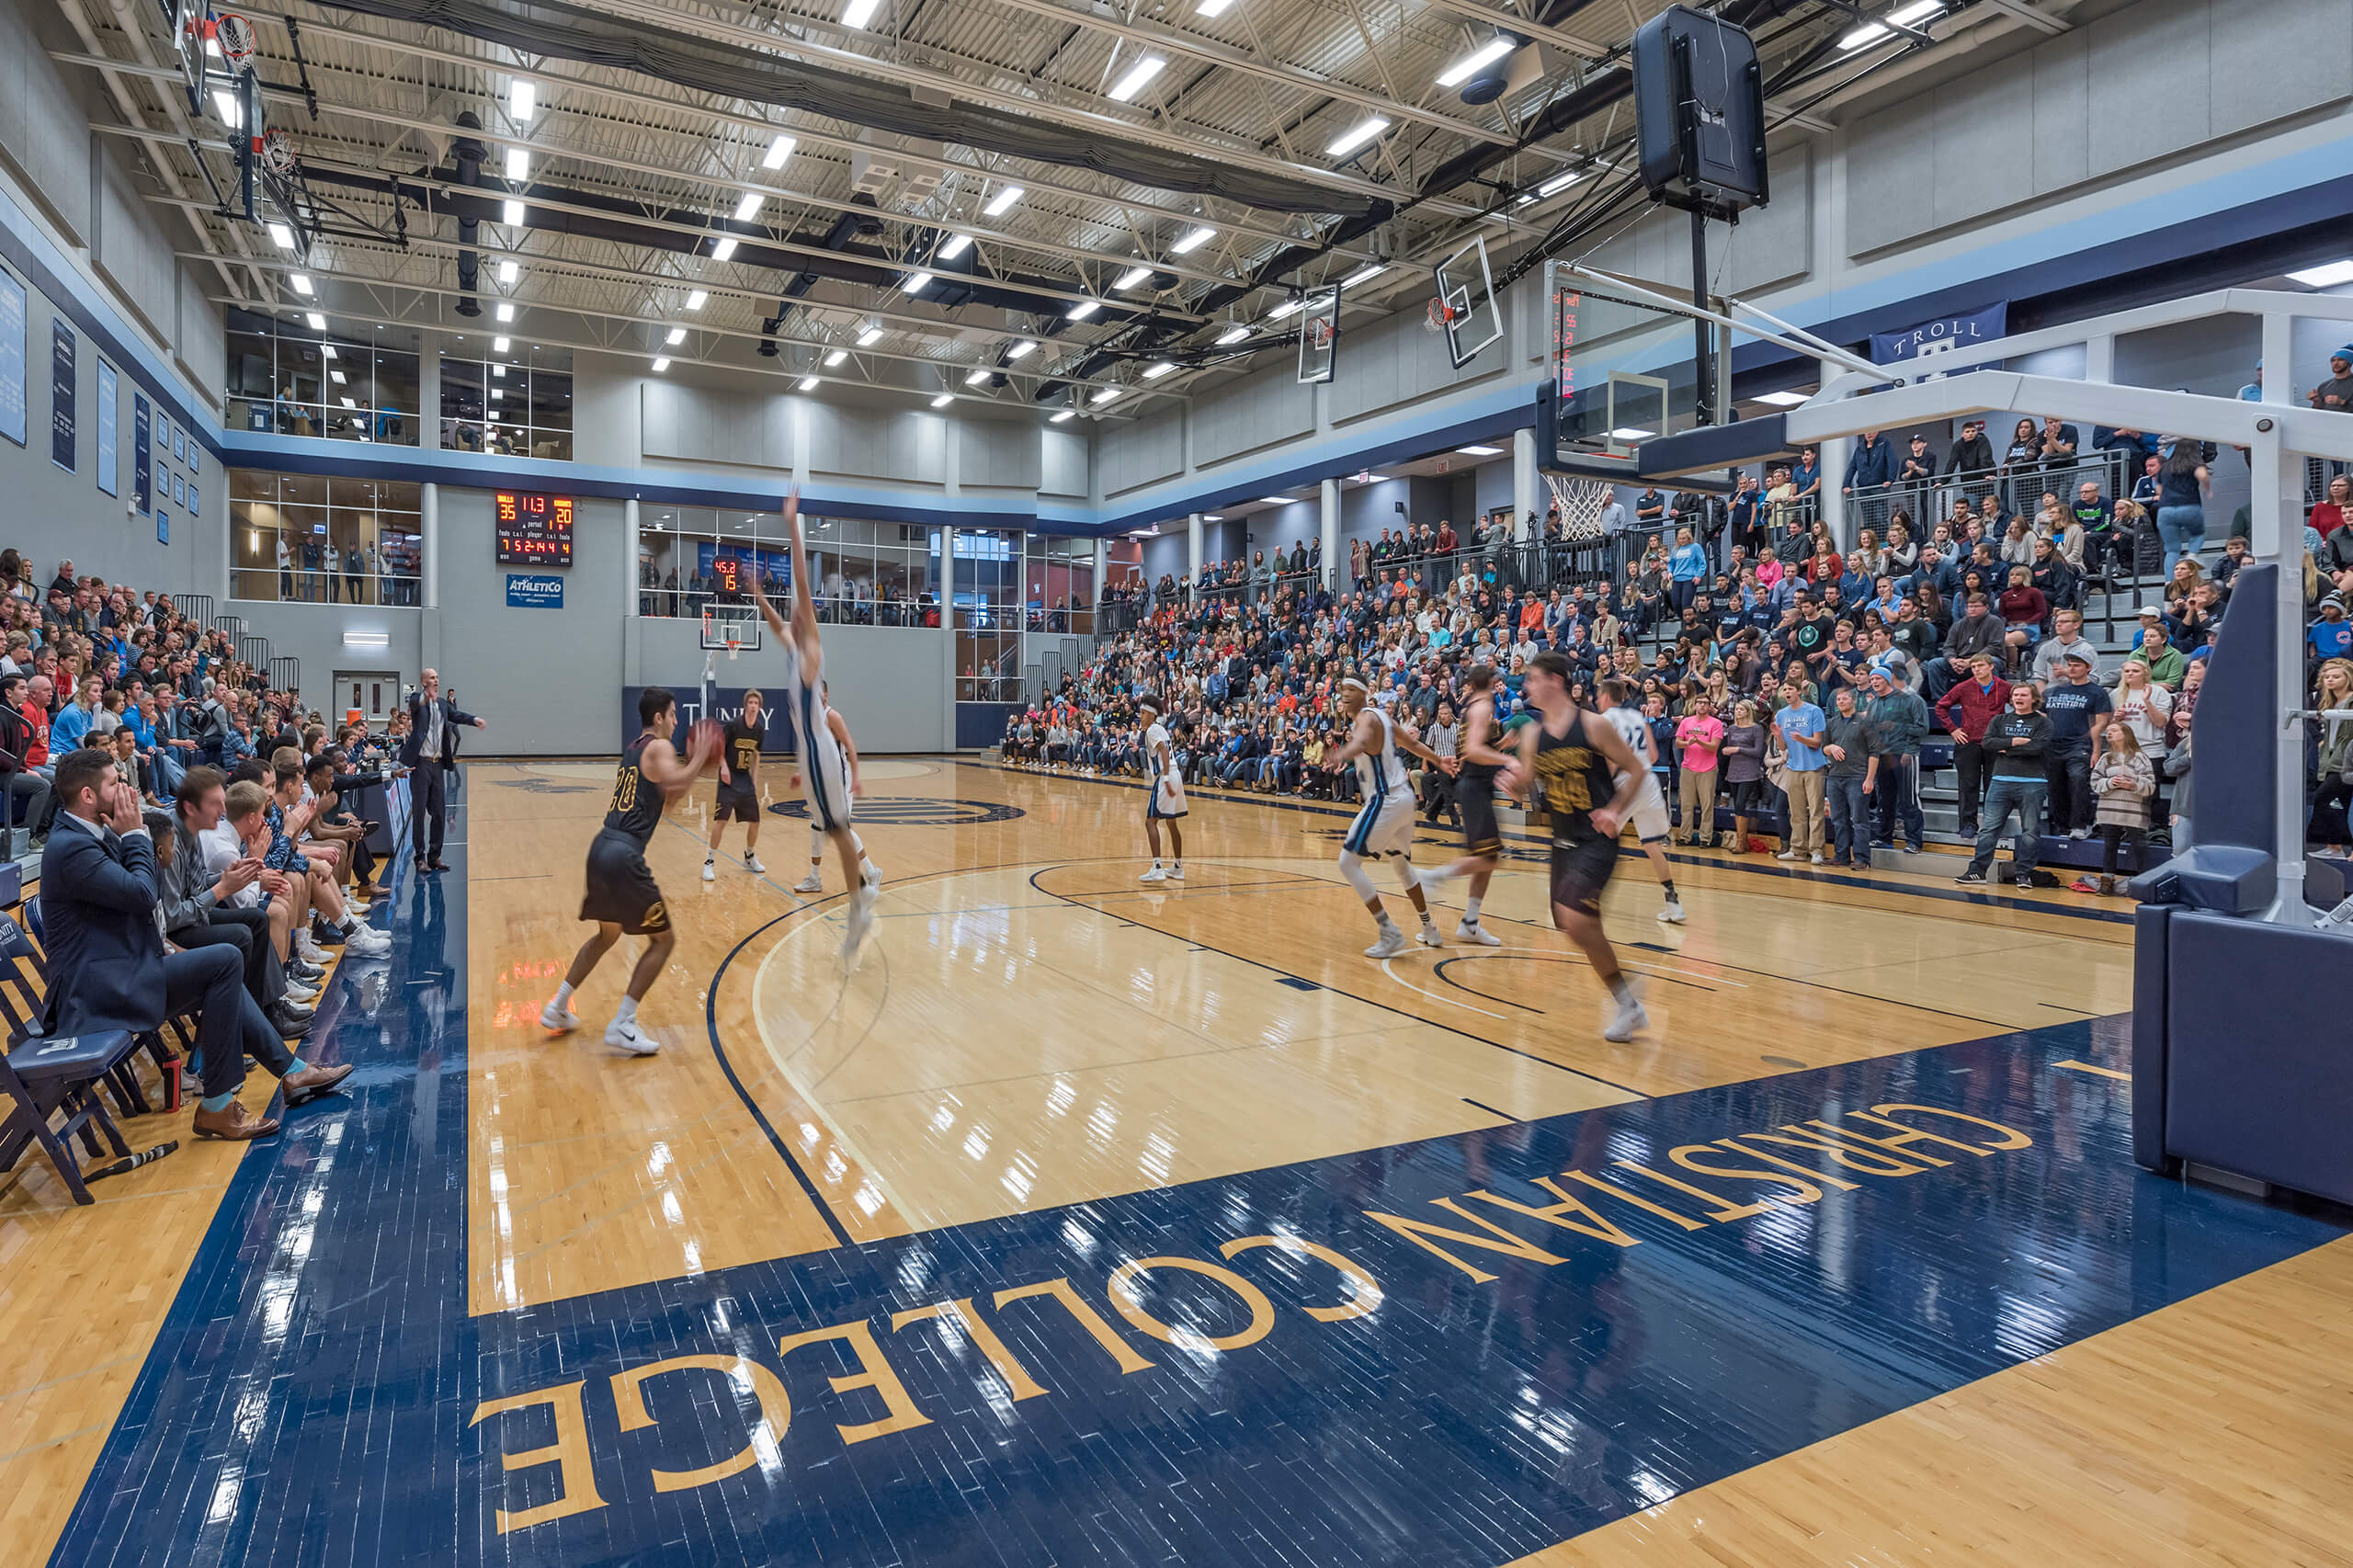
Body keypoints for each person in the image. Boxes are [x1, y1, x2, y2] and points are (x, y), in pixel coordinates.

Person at [39, 748, 348, 1141]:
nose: (126, 791)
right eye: (114, 784)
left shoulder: (88, 836)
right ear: (87, 796)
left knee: (223, 967)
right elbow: (142, 895)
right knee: (222, 960)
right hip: (95, 991)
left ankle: (291, 1073)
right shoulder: (71, 847)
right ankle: (219, 1105)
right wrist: (135, 834)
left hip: (123, 970)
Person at [540, 687, 718, 1053]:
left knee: (607, 936)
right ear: (658, 718)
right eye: (672, 714)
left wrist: (688, 773)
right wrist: (700, 755)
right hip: (624, 856)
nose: (676, 721)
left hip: (601, 847)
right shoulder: (660, 747)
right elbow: (679, 782)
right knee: (663, 940)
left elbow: (667, 799)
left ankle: (558, 1006)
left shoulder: (635, 748)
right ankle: (623, 1023)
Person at [751, 492, 880, 961]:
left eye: (801, 611)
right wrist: (762, 597)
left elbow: (803, 584)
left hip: (822, 749)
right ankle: (858, 902)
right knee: (831, 829)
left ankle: (861, 899)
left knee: (838, 830)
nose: (797, 611)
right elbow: (775, 624)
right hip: (811, 753)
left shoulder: (811, 654)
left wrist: (792, 527)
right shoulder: (791, 648)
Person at [1506, 652, 1648, 1041]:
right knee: (1574, 926)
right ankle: (1628, 1001)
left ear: (1555, 680)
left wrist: (1614, 811)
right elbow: (1530, 785)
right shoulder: (1534, 734)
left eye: (1532, 679)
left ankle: (1628, 998)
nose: (1527, 686)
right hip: (1561, 841)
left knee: (1574, 919)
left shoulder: (1593, 725)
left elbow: (1637, 770)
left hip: (1596, 839)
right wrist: (1515, 783)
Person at [1327, 679, 1447, 958]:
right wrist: (1440, 761)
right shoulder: (1384, 716)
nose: (1344, 697)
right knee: (1402, 866)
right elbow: (1413, 744)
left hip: (1386, 799)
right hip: (1405, 801)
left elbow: (1360, 742)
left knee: (1348, 862)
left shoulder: (1367, 720)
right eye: (1342, 693)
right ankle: (1429, 928)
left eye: (1350, 692)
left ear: (1364, 694)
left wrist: (1340, 754)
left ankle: (1389, 931)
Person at [1410, 664, 1513, 946]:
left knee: (1489, 857)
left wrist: (1502, 745)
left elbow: (1473, 749)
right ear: (1490, 682)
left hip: (1476, 784)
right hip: (1474, 787)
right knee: (1486, 857)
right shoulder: (1479, 709)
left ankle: (1470, 922)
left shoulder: (1474, 708)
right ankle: (1433, 877)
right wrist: (1508, 760)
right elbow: (1475, 750)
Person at [1596, 680, 1686, 923]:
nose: (1596, 700)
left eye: (1598, 695)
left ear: (1605, 696)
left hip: (1626, 782)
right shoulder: (1639, 718)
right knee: (1652, 845)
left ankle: (1586, 898)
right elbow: (1654, 755)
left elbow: (1611, 759)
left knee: (1596, 839)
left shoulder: (1605, 720)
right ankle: (1673, 903)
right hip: (1649, 782)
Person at [1956, 683, 2050, 887]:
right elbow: (1988, 743)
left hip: (2032, 782)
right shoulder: (1999, 720)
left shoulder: (2043, 723)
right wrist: (2015, 742)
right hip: (2000, 781)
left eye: (2024, 695)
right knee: (1989, 829)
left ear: (2034, 699)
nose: (2018, 698)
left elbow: (2038, 747)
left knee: (2030, 831)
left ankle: (2024, 874)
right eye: (2015, 694)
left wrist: (2005, 748)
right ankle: (1977, 872)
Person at [398, 669, 485, 874]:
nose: (435, 681)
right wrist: (424, 697)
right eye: (431, 678)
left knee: (439, 813)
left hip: (438, 765)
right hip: (420, 764)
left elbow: (458, 715)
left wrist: (474, 720)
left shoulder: (444, 704)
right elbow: (415, 703)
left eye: (437, 678)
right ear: (423, 681)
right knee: (419, 813)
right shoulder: (417, 699)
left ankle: (434, 855)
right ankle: (419, 858)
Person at [794, 687, 880, 894]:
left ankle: (871, 871)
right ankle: (814, 877)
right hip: (819, 779)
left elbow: (849, 744)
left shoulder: (832, 716)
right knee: (817, 826)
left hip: (838, 779)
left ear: (825, 695)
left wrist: (857, 777)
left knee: (841, 828)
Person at [2041, 653, 2112, 838]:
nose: (2071, 668)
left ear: (2088, 668)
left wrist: (2096, 750)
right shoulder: (2054, 690)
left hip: (2079, 745)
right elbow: (2041, 716)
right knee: (2056, 787)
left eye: (2077, 665)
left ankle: (2079, 825)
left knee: (2078, 780)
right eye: (2070, 665)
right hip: (2053, 745)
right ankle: (2062, 827)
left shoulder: (2097, 692)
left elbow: (2101, 723)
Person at [2079, 719, 2154, 896]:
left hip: (2133, 809)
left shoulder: (2140, 757)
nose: (2109, 733)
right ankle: (2106, 883)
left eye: (2114, 730)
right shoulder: (2106, 758)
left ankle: (2143, 883)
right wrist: (2111, 782)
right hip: (2109, 809)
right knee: (2110, 846)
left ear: (2125, 734)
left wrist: (2133, 784)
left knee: (2139, 846)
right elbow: (2094, 781)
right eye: (2109, 731)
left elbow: (2150, 785)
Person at [704, 687, 768, 882]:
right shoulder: (733, 725)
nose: (753, 706)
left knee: (755, 822)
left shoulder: (759, 730)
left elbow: (757, 756)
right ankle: (709, 861)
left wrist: (755, 779)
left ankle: (749, 857)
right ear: (745, 705)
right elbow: (718, 749)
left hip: (745, 779)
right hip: (728, 777)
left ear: (760, 707)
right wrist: (723, 766)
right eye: (750, 703)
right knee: (721, 821)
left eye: (756, 703)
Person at [1863, 665, 1929, 852]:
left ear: (1888, 679)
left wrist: (1896, 726)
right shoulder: (1873, 704)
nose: (1874, 682)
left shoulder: (1911, 700)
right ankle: (1885, 838)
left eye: (1878, 678)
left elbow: (1923, 729)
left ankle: (1914, 841)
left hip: (1905, 755)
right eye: (1872, 680)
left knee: (1909, 800)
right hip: (1882, 757)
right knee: (1885, 800)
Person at [1773, 679, 1829, 865]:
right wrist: (1778, 736)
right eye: (1784, 690)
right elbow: (1782, 747)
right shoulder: (1781, 714)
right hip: (1793, 767)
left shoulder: (1814, 711)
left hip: (1814, 767)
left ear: (1798, 691)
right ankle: (1797, 849)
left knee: (1815, 811)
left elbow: (1816, 742)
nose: (1786, 692)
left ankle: (1817, 850)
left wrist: (1801, 738)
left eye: (1789, 689)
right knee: (1796, 813)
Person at [1821, 686, 1874, 870]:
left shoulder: (1865, 722)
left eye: (1844, 699)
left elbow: (1875, 753)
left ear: (1853, 701)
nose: (1840, 702)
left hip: (1857, 776)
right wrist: (1831, 748)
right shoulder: (1832, 723)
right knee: (1838, 819)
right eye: (1838, 700)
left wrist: (1869, 779)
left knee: (1859, 820)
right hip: (1835, 777)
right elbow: (1824, 748)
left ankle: (1861, 858)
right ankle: (1841, 855)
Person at [1138, 700, 1187, 883]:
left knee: (1150, 822)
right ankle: (1178, 867)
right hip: (1176, 774)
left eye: (1143, 713)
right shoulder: (1162, 728)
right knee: (1171, 823)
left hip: (1166, 775)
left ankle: (1157, 868)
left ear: (1152, 715)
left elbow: (1164, 752)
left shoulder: (1151, 730)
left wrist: (1165, 779)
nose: (1141, 716)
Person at [1673, 695, 1722, 852]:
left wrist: (1699, 741)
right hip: (1688, 767)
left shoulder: (1716, 723)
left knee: (1707, 805)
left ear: (1709, 706)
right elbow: (1678, 742)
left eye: (1705, 703)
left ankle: (1705, 838)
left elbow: (1714, 747)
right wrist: (1688, 743)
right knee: (1686, 804)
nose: (1702, 705)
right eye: (1699, 703)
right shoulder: (1686, 721)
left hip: (1708, 768)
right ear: (1694, 705)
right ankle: (1685, 836)